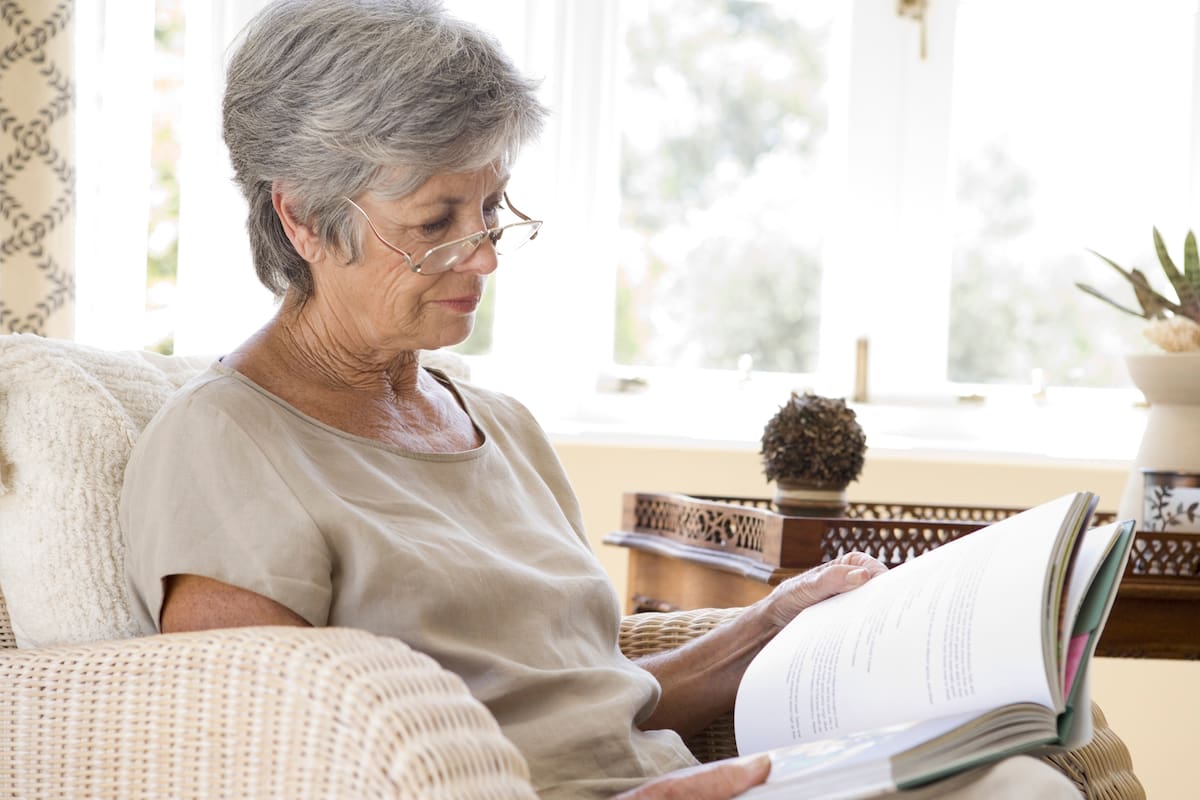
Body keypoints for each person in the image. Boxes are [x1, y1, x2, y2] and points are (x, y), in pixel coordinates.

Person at [119, 2, 1081, 798]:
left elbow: (592, 699)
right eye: (437, 221)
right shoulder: (223, 443)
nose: (486, 254)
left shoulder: (503, 427)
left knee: (1020, 773)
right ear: (301, 217)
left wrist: (771, 625)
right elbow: (259, 761)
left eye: (491, 210)